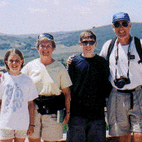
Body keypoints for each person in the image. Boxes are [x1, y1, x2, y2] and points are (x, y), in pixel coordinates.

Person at [21, 33, 72, 142]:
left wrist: (67, 113)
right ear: (37, 48)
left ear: (53, 48)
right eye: (42, 46)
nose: (45, 49)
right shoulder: (30, 67)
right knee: (33, 139)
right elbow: (18, 80)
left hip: (53, 110)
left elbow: (67, 93)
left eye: (48, 46)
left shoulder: (60, 68)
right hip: (33, 110)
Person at [100, 12, 142, 142]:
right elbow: (98, 65)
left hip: (138, 93)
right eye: (117, 24)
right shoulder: (109, 46)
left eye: (124, 24)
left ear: (130, 25)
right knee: (122, 134)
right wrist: (72, 60)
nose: (121, 28)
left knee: (139, 134)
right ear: (113, 27)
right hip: (117, 95)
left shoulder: (139, 45)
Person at [66, 30, 110, 142]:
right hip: (77, 114)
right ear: (80, 44)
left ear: (96, 44)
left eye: (91, 42)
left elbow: (106, 86)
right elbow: (68, 88)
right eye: (85, 42)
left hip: (97, 114)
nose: (88, 45)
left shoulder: (102, 63)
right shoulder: (74, 63)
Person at [0, 49, 38, 142]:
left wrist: (32, 125)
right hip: (5, 124)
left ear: (22, 61)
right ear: (6, 62)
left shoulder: (27, 80)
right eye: (11, 60)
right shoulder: (2, 79)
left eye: (17, 60)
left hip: (22, 124)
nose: (14, 63)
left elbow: (31, 104)